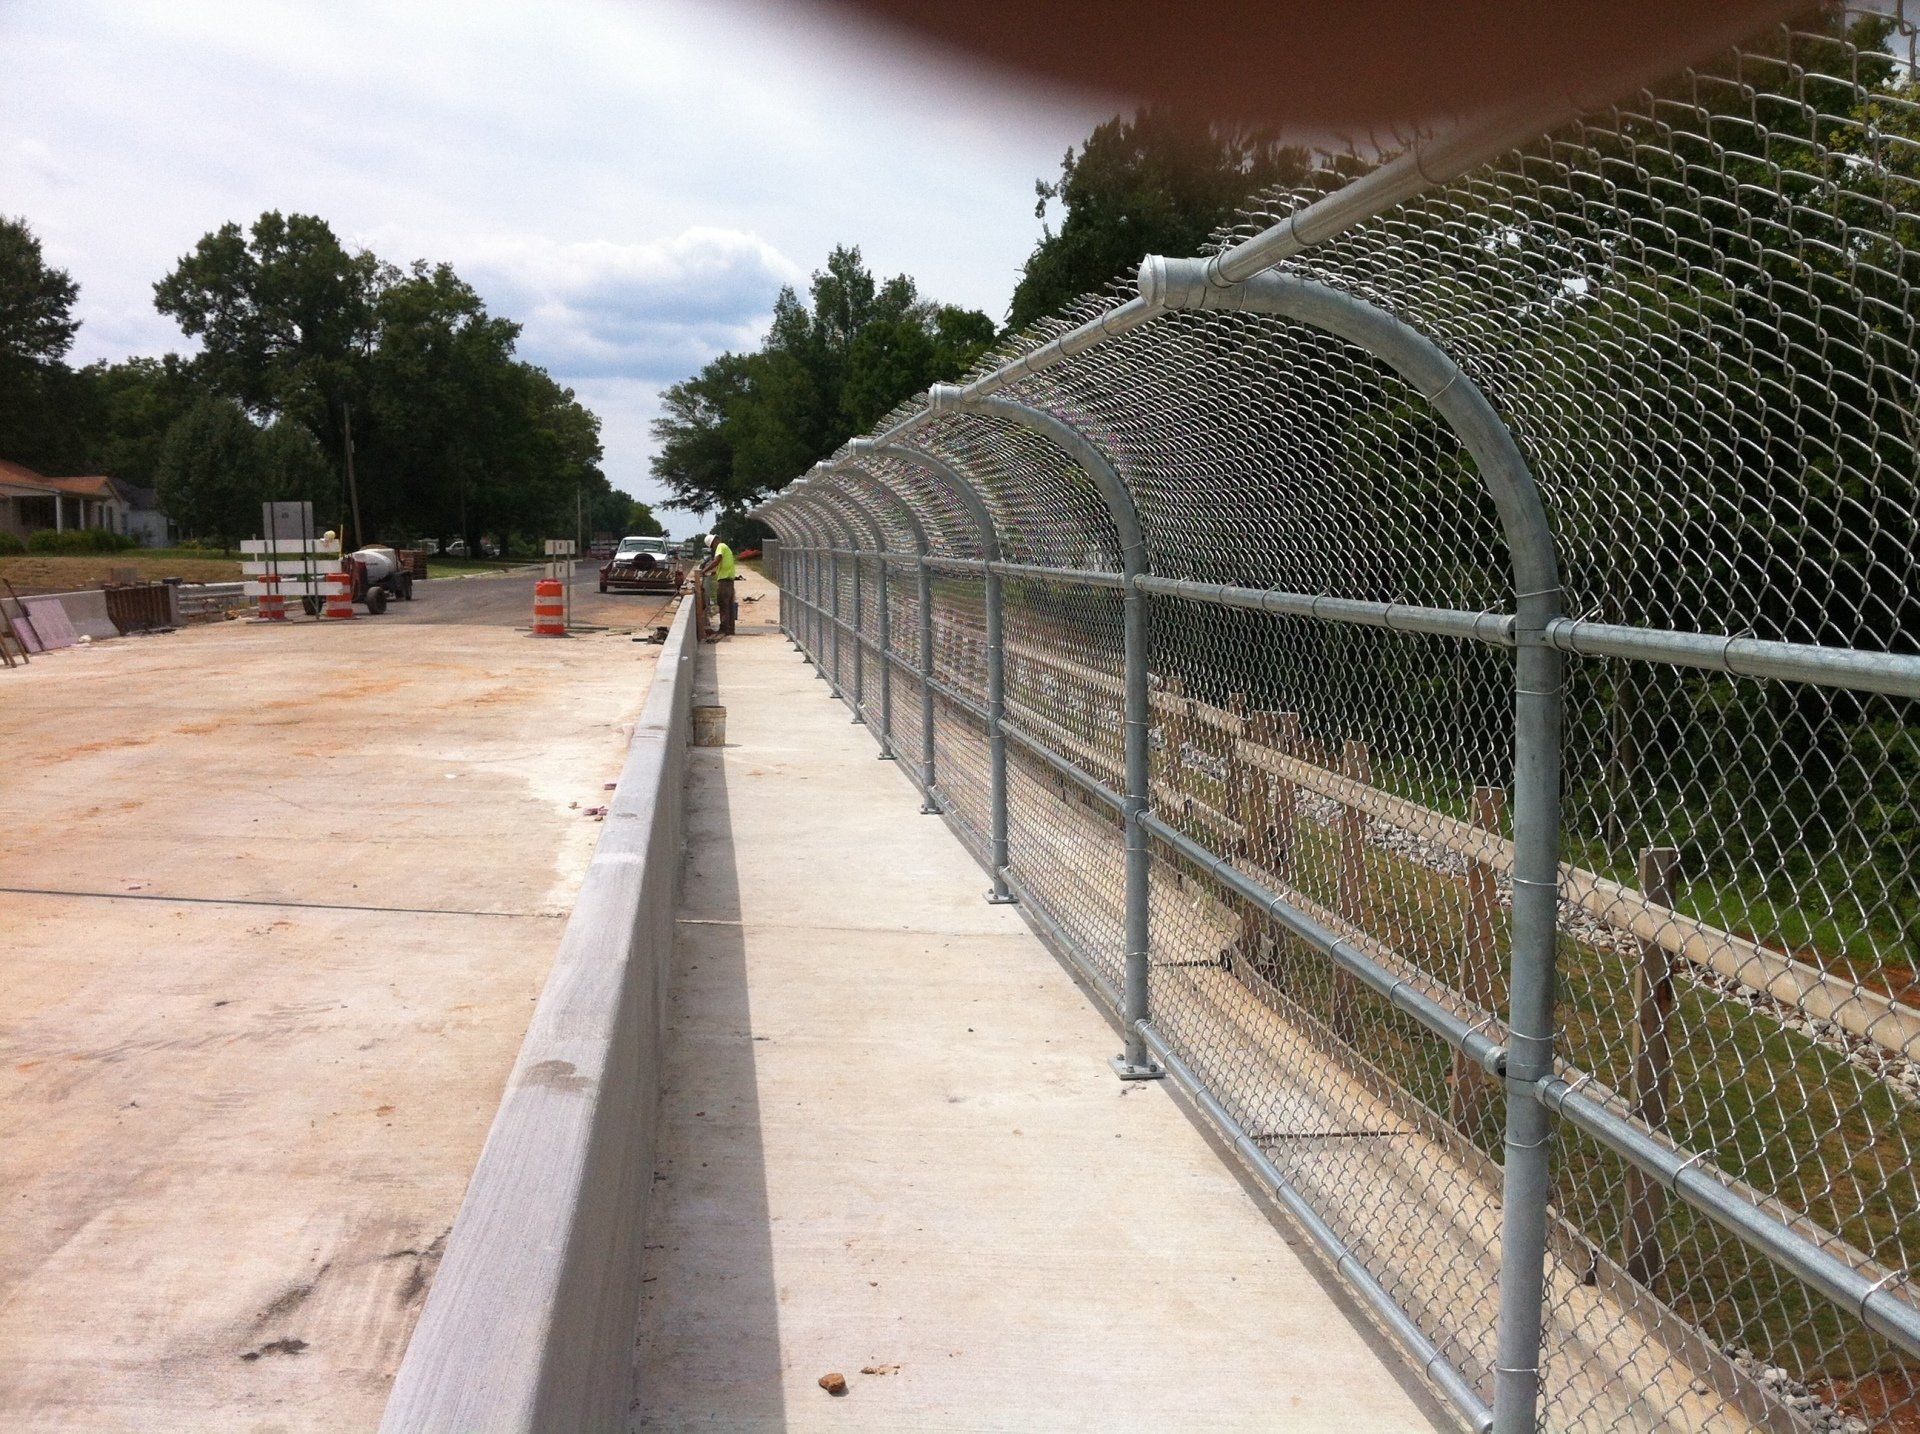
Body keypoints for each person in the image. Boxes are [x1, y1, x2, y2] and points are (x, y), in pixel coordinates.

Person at [698, 532, 737, 639]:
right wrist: (713, 572)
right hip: (729, 580)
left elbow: (717, 560)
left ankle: (724, 628)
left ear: (714, 541)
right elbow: (722, 564)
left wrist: (703, 571)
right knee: (729, 605)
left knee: (722, 603)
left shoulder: (720, 546)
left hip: (724, 582)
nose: (713, 548)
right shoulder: (726, 547)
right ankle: (730, 629)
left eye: (711, 546)